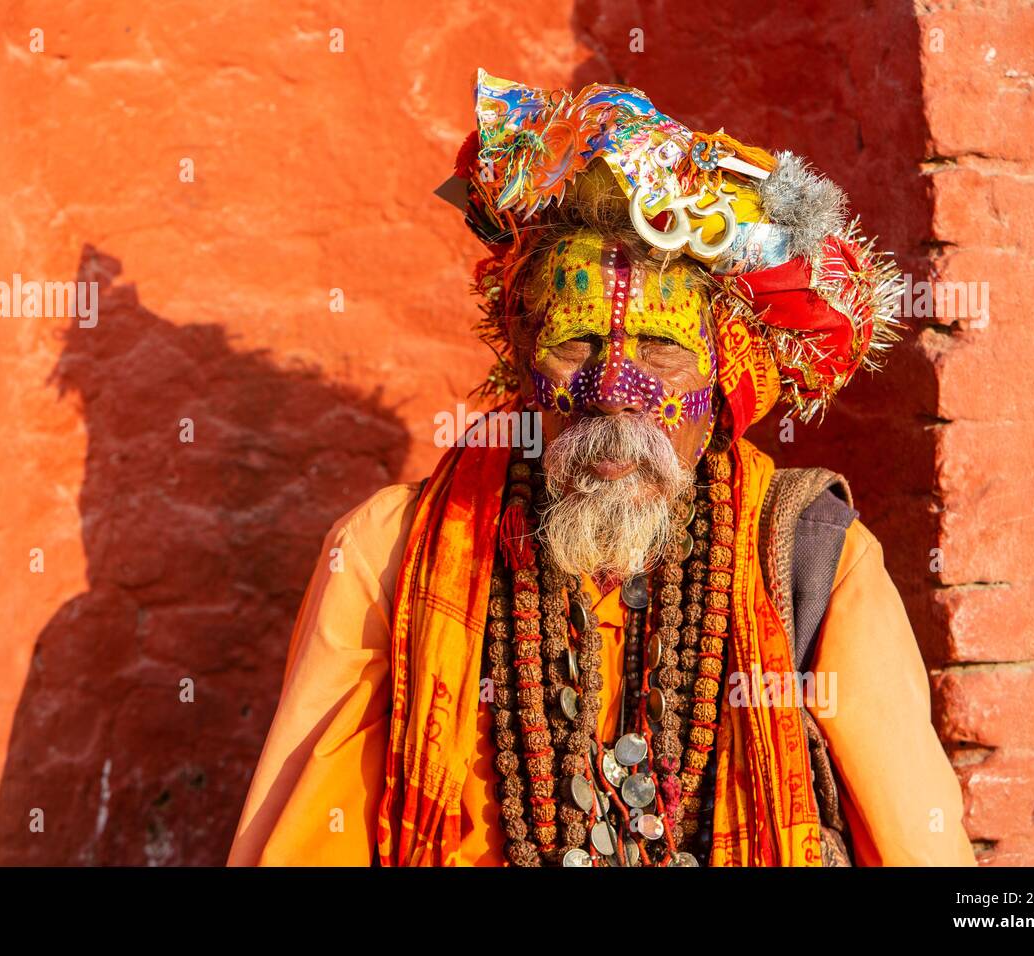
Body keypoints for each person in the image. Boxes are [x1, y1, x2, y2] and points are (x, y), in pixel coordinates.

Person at [228, 70, 977, 868]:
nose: (613, 390)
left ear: (726, 378)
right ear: (524, 365)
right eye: (577, 342)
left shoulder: (817, 562)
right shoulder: (388, 553)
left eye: (662, 351)